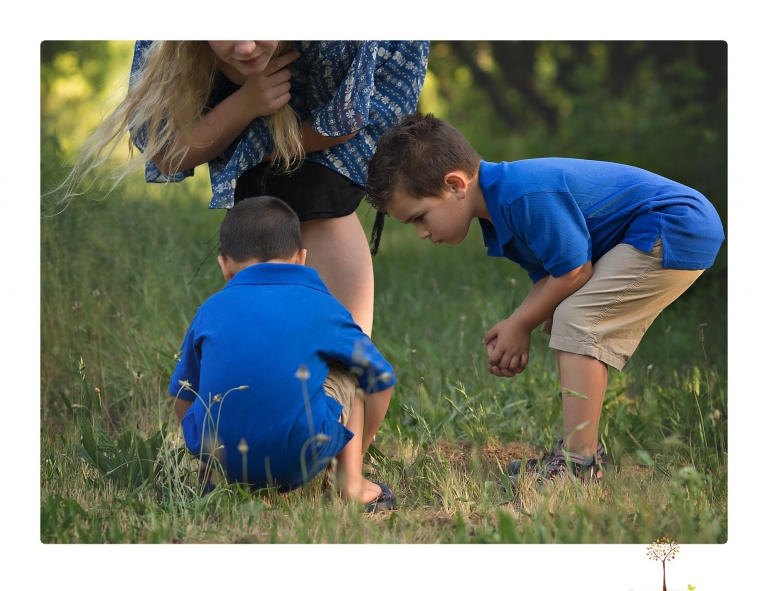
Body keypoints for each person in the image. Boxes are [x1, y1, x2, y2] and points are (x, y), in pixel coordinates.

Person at [364, 112, 724, 484]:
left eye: (420, 218)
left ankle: (578, 464)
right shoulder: (500, 208)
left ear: (456, 185)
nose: (422, 232)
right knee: (564, 316)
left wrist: (521, 322)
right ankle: (581, 451)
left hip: (675, 222)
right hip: (660, 226)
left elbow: (573, 272)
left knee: (578, 320)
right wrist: (517, 324)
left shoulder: (523, 194)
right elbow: (555, 278)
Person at [65, 40, 429, 340]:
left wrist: (262, 153)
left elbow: (344, 120)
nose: (245, 45)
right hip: (245, 102)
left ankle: (340, 377)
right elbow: (166, 153)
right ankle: (272, 363)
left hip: (343, 95)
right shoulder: (167, 41)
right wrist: (245, 104)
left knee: (315, 189)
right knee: (258, 206)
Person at [169, 196, 397, 511]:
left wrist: (208, 452)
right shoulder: (323, 306)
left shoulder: (209, 310)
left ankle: (213, 480)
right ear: (302, 258)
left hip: (223, 458)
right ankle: (351, 481)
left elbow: (181, 394)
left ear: (225, 265)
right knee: (352, 374)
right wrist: (355, 445)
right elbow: (381, 379)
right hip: (300, 456)